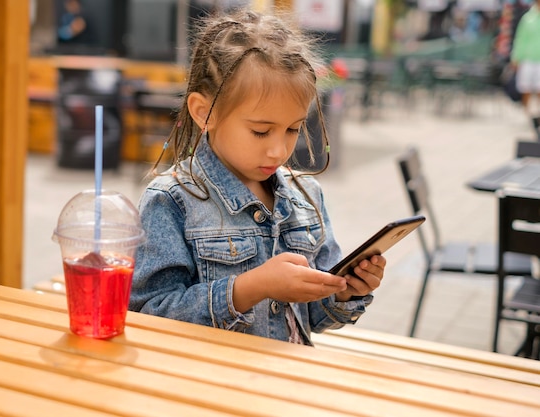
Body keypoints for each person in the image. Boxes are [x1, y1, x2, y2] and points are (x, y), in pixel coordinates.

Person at [129, 9, 386, 346]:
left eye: (293, 129)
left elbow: (315, 317)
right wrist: (249, 288)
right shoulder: (172, 201)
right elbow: (148, 316)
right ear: (204, 112)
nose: (278, 151)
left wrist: (345, 291)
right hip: (209, 387)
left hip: (285, 385)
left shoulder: (306, 195)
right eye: (261, 131)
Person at [510, 0, 540, 139]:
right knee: (526, 89)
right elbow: (521, 38)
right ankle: (527, 114)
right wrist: (516, 57)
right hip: (528, 58)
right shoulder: (528, 18)